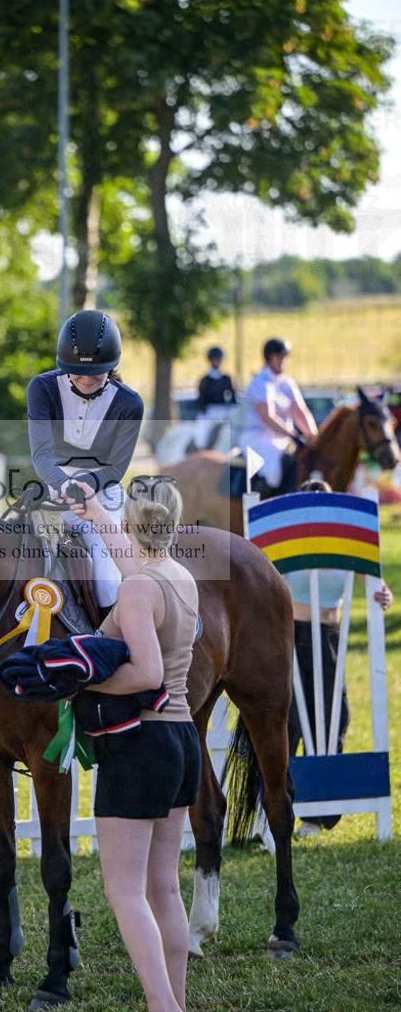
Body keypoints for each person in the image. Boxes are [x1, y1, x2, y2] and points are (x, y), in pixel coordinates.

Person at [67, 475, 201, 1012]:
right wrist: (97, 512)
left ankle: (161, 1006)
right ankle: (176, 1004)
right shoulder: (176, 576)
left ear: (132, 524)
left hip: (141, 744)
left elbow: (146, 674)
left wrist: (78, 679)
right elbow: (136, 569)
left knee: (124, 891)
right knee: (163, 887)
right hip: (182, 739)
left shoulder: (137, 588)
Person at [284, 478, 393, 837]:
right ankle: (274, 808)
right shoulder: (288, 541)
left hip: (330, 636)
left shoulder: (344, 542)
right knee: (289, 723)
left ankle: (317, 814)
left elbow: (374, 581)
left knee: (334, 717)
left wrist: (383, 595)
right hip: (290, 636)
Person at [27, 309, 144, 618]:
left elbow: (116, 469)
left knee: (107, 579)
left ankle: (110, 642)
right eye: (77, 371)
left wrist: (85, 489)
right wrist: (65, 485)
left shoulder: (129, 403)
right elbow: (41, 455)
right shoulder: (42, 388)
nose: (87, 378)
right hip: (54, 488)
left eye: (96, 372)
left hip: (102, 497)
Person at [239, 337, 317, 494]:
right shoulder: (260, 382)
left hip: (282, 438)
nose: (282, 361)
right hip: (258, 437)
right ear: (269, 358)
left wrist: (314, 436)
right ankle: (263, 502)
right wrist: (294, 435)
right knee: (273, 473)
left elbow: (300, 412)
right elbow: (268, 417)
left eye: (284, 357)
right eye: (278, 357)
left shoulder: (287, 382)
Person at [193, 346, 236, 449]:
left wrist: (232, 409)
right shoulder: (205, 380)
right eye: (214, 359)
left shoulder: (226, 379)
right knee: (200, 435)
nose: (217, 361)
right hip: (209, 412)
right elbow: (201, 400)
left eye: (218, 359)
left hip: (223, 411)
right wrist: (205, 411)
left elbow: (233, 397)